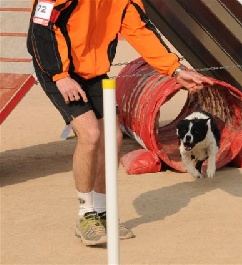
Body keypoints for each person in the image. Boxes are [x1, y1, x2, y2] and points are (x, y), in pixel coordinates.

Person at [27, 0, 214, 246]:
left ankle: (103, 213)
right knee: (91, 135)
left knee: (113, 138)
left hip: (93, 72)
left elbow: (140, 32)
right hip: (57, 71)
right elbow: (40, 30)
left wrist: (175, 71)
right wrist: (59, 76)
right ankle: (85, 215)